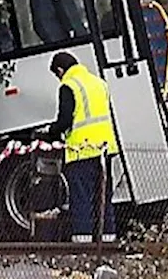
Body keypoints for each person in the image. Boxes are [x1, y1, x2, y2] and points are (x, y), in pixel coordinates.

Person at [44, 51, 119, 243]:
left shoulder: (68, 86)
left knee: (81, 198)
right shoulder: (99, 83)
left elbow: (65, 120)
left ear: (60, 70)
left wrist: (51, 132)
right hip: (104, 151)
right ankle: (108, 239)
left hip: (81, 151)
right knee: (103, 196)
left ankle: (82, 241)